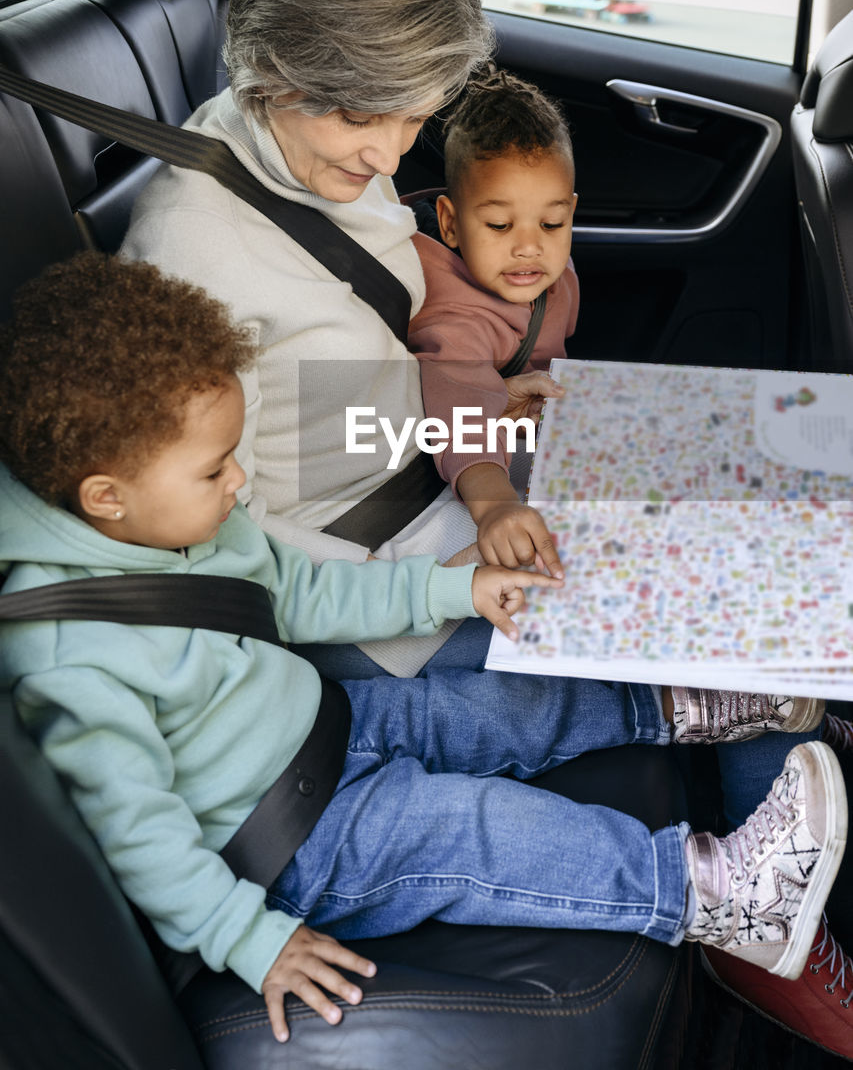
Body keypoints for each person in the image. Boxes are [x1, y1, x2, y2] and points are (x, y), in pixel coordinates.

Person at [0, 254, 846, 1048]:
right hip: (305, 843)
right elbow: (139, 834)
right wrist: (248, 939)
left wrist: (454, 591)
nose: (238, 483)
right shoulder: (71, 658)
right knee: (478, 833)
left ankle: (684, 708)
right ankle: (721, 896)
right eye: (216, 469)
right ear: (106, 497)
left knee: (499, 703)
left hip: (326, 724)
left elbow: (299, 595)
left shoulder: (182, 525)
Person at [122, 0, 557, 683]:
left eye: (415, 119)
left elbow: (362, 348)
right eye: (362, 117)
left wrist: (479, 401)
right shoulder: (188, 254)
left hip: (431, 467)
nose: (389, 153)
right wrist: (434, 584)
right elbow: (216, 525)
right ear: (274, 75)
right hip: (364, 570)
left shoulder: (314, 152)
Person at [408, 69, 580, 569]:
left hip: (525, 429)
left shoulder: (555, 275)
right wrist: (496, 506)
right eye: (500, 225)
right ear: (450, 223)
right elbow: (463, 418)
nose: (529, 246)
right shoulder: (452, 315)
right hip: (470, 464)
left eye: (551, 223)